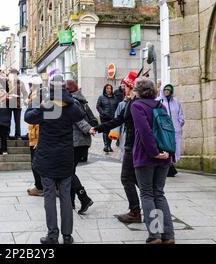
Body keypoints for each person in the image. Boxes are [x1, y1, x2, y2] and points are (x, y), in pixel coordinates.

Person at [25, 75, 85, 245]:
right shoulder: (71, 107)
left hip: (46, 157)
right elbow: (80, 114)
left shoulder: (46, 106)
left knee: (49, 196)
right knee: (65, 196)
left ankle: (52, 235)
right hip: (65, 157)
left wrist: (37, 100)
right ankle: (67, 236)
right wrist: (70, 99)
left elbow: (28, 117)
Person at [90, 71, 142, 224]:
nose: (122, 88)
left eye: (125, 86)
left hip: (132, 146)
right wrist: (98, 128)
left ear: (131, 87)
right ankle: (143, 206)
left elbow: (120, 120)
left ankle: (136, 211)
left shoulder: (134, 103)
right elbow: (118, 120)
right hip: (133, 146)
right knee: (135, 179)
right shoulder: (132, 102)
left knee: (127, 178)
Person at [131, 77, 175, 244]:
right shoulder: (161, 105)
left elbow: (144, 131)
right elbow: (169, 130)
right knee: (160, 194)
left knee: (147, 194)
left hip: (146, 156)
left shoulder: (137, 106)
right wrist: (167, 153)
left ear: (138, 91)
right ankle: (169, 236)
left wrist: (154, 152)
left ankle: (155, 235)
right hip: (165, 155)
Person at [65, 80, 96, 214]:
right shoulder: (80, 99)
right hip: (81, 141)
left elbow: (78, 119)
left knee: (68, 171)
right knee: (70, 171)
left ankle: (83, 197)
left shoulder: (73, 101)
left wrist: (88, 129)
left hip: (76, 141)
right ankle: (70, 202)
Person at [159, 84, 184, 177]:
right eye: (165, 90)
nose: (167, 92)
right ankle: (168, 168)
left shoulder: (176, 102)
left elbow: (180, 114)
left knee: (175, 148)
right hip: (164, 130)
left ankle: (171, 166)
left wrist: (179, 123)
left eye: (169, 90)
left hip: (175, 130)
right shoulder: (159, 101)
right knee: (166, 147)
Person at [26, 75, 44, 197]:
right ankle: (40, 185)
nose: (30, 87)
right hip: (34, 134)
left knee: (36, 163)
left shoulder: (39, 97)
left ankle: (40, 187)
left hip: (39, 135)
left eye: (31, 85)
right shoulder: (35, 96)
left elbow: (36, 117)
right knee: (35, 163)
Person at [96, 83, 119, 152]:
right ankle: (106, 145)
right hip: (104, 117)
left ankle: (109, 146)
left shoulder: (115, 97)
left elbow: (117, 107)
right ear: (105, 89)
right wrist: (102, 113)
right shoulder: (101, 97)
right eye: (107, 88)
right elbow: (98, 106)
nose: (109, 90)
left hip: (112, 117)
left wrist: (116, 114)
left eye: (110, 88)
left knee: (110, 132)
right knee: (105, 131)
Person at [7, 68, 28, 139]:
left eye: (15, 74)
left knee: (17, 121)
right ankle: (7, 134)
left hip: (18, 104)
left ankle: (18, 135)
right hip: (8, 104)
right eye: (12, 74)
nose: (14, 75)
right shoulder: (6, 82)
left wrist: (25, 100)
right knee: (7, 120)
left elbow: (25, 93)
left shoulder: (21, 83)